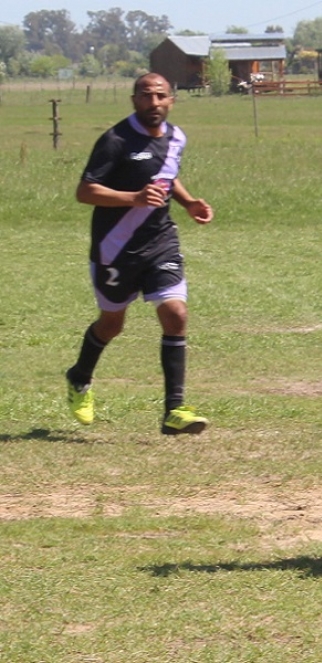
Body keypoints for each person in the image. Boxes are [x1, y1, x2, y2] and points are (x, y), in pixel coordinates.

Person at [66, 73, 214, 435]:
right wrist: (132, 198)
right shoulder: (115, 140)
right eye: (146, 96)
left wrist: (188, 201)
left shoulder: (177, 137)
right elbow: (85, 191)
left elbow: (166, 174)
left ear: (171, 101)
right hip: (115, 248)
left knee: (176, 313)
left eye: (161, 96)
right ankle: (79, 377)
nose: (154, 102)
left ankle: (174, 409)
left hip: (160, 239)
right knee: (112, 324)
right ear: (134, 100)